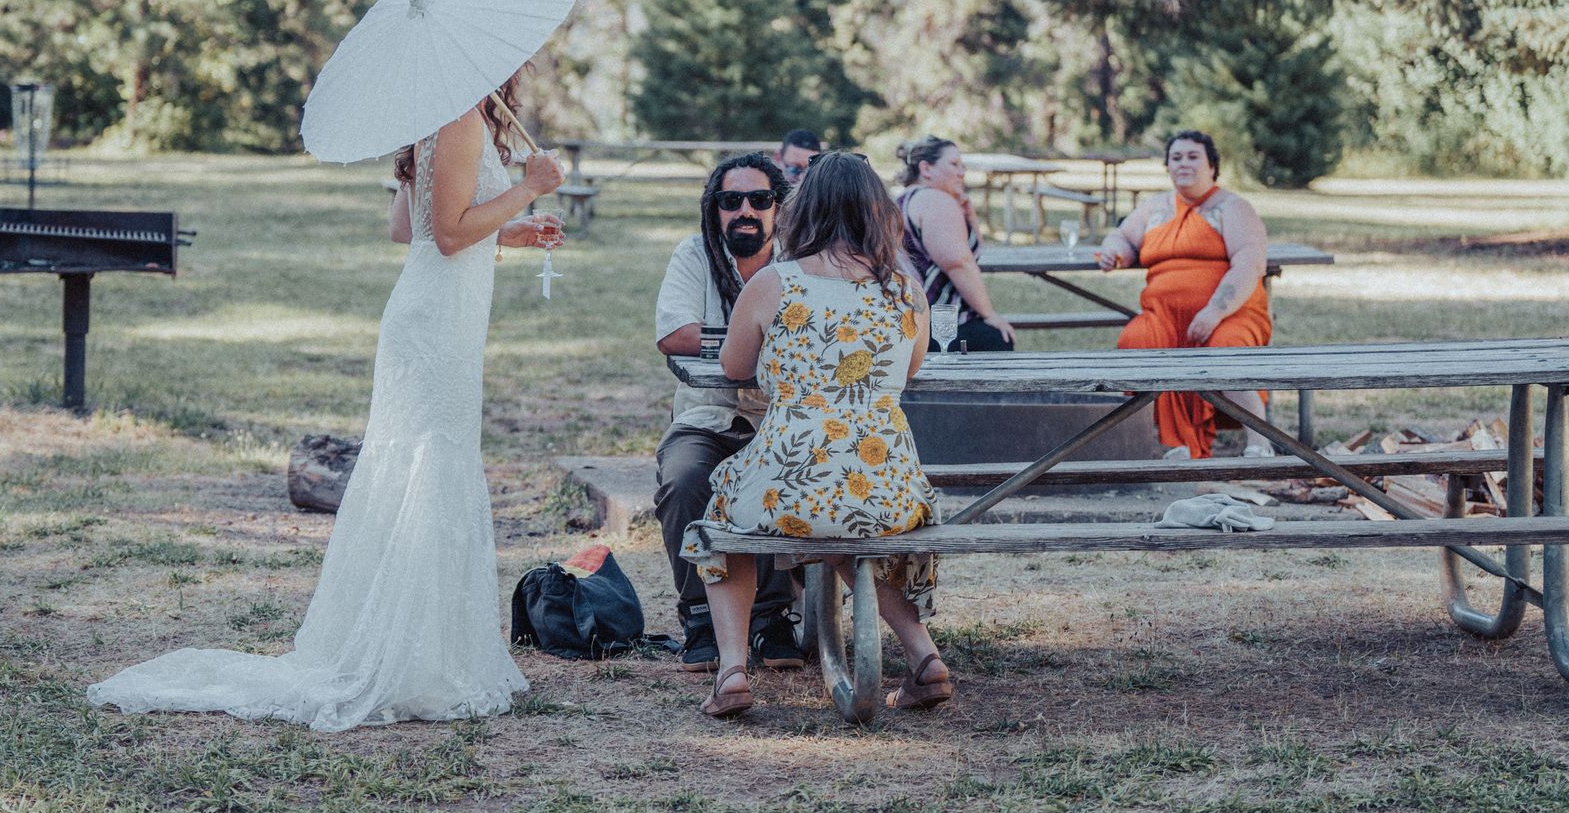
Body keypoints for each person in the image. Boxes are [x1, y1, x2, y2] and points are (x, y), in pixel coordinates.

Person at [88, 69, 566, 730]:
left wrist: (516, 230)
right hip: (435, 323)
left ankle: (428, 651)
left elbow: (414, 228)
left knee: (427, 468)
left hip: (442, 313)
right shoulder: (456, 116)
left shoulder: (459, 116)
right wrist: (529, 189)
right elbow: (448, 234)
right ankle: (411, 661)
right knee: (428, 467)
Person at [681, 151, 948, 718]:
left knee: (723, 511)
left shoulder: (777, 283)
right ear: (879, 213)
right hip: (889, 484)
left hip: (795, 478)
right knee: (847, 521)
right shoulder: (906, 289)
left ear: (804, 211)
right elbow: (912, 368)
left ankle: (731, 669)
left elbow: (733, 368)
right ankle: (923, 655)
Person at [655, 152, 802, 673]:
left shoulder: (799, 257)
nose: (745, 210)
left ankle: (773, 616)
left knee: (792, 476)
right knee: (683, 478)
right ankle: (699, 618)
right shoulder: (694, 254)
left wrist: (726, 341)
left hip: (780, 419)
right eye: (730, 200)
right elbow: (673, 335)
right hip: (705, 417)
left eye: (759, 200)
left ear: (779, 208)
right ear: (713, 209)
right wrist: (760, 338)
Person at [1096, 129, 1272, 459]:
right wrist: (1114, 251)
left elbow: (1248, 264)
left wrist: (1214, 311)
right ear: (1167, 165)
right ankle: (1169, 442)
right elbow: (1122, 237)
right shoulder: (1155, 207)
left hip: (1229, 312)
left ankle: (1260, 442)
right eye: (1176, 158)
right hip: (1163, 315)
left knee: (1226, 349)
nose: (1184, 164)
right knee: (1137, 343)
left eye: (1193, 157)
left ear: (1212, 166)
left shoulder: (1233, 208)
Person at [894, 137, 1015, 351]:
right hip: (938, 327)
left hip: (907, 320)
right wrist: (990, 315)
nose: (961, 173)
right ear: (926, 168)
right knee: (999, 339)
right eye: (954, 165)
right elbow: (959, 264)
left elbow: (969, 253)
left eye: (962, 166)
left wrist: (970, 214)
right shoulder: (936, 201)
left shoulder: (902, 199)